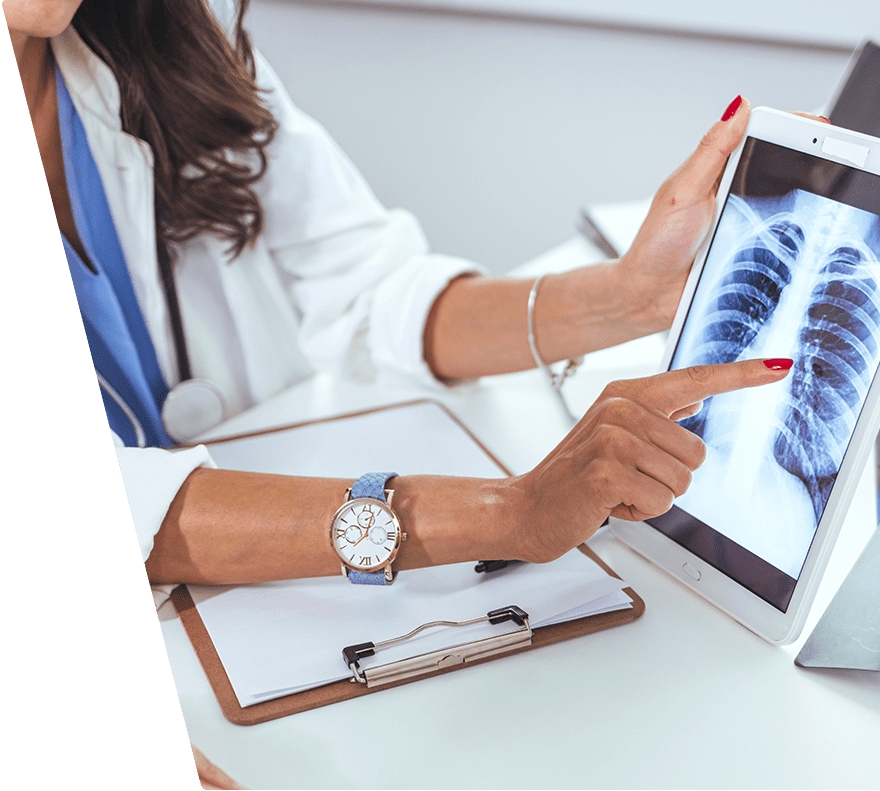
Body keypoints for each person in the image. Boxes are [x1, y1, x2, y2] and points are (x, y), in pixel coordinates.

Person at [5, 0, 803, 787]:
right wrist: (506, 513)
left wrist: (627, 295)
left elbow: (374, 290)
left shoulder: (164, 36)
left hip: (275, 613)